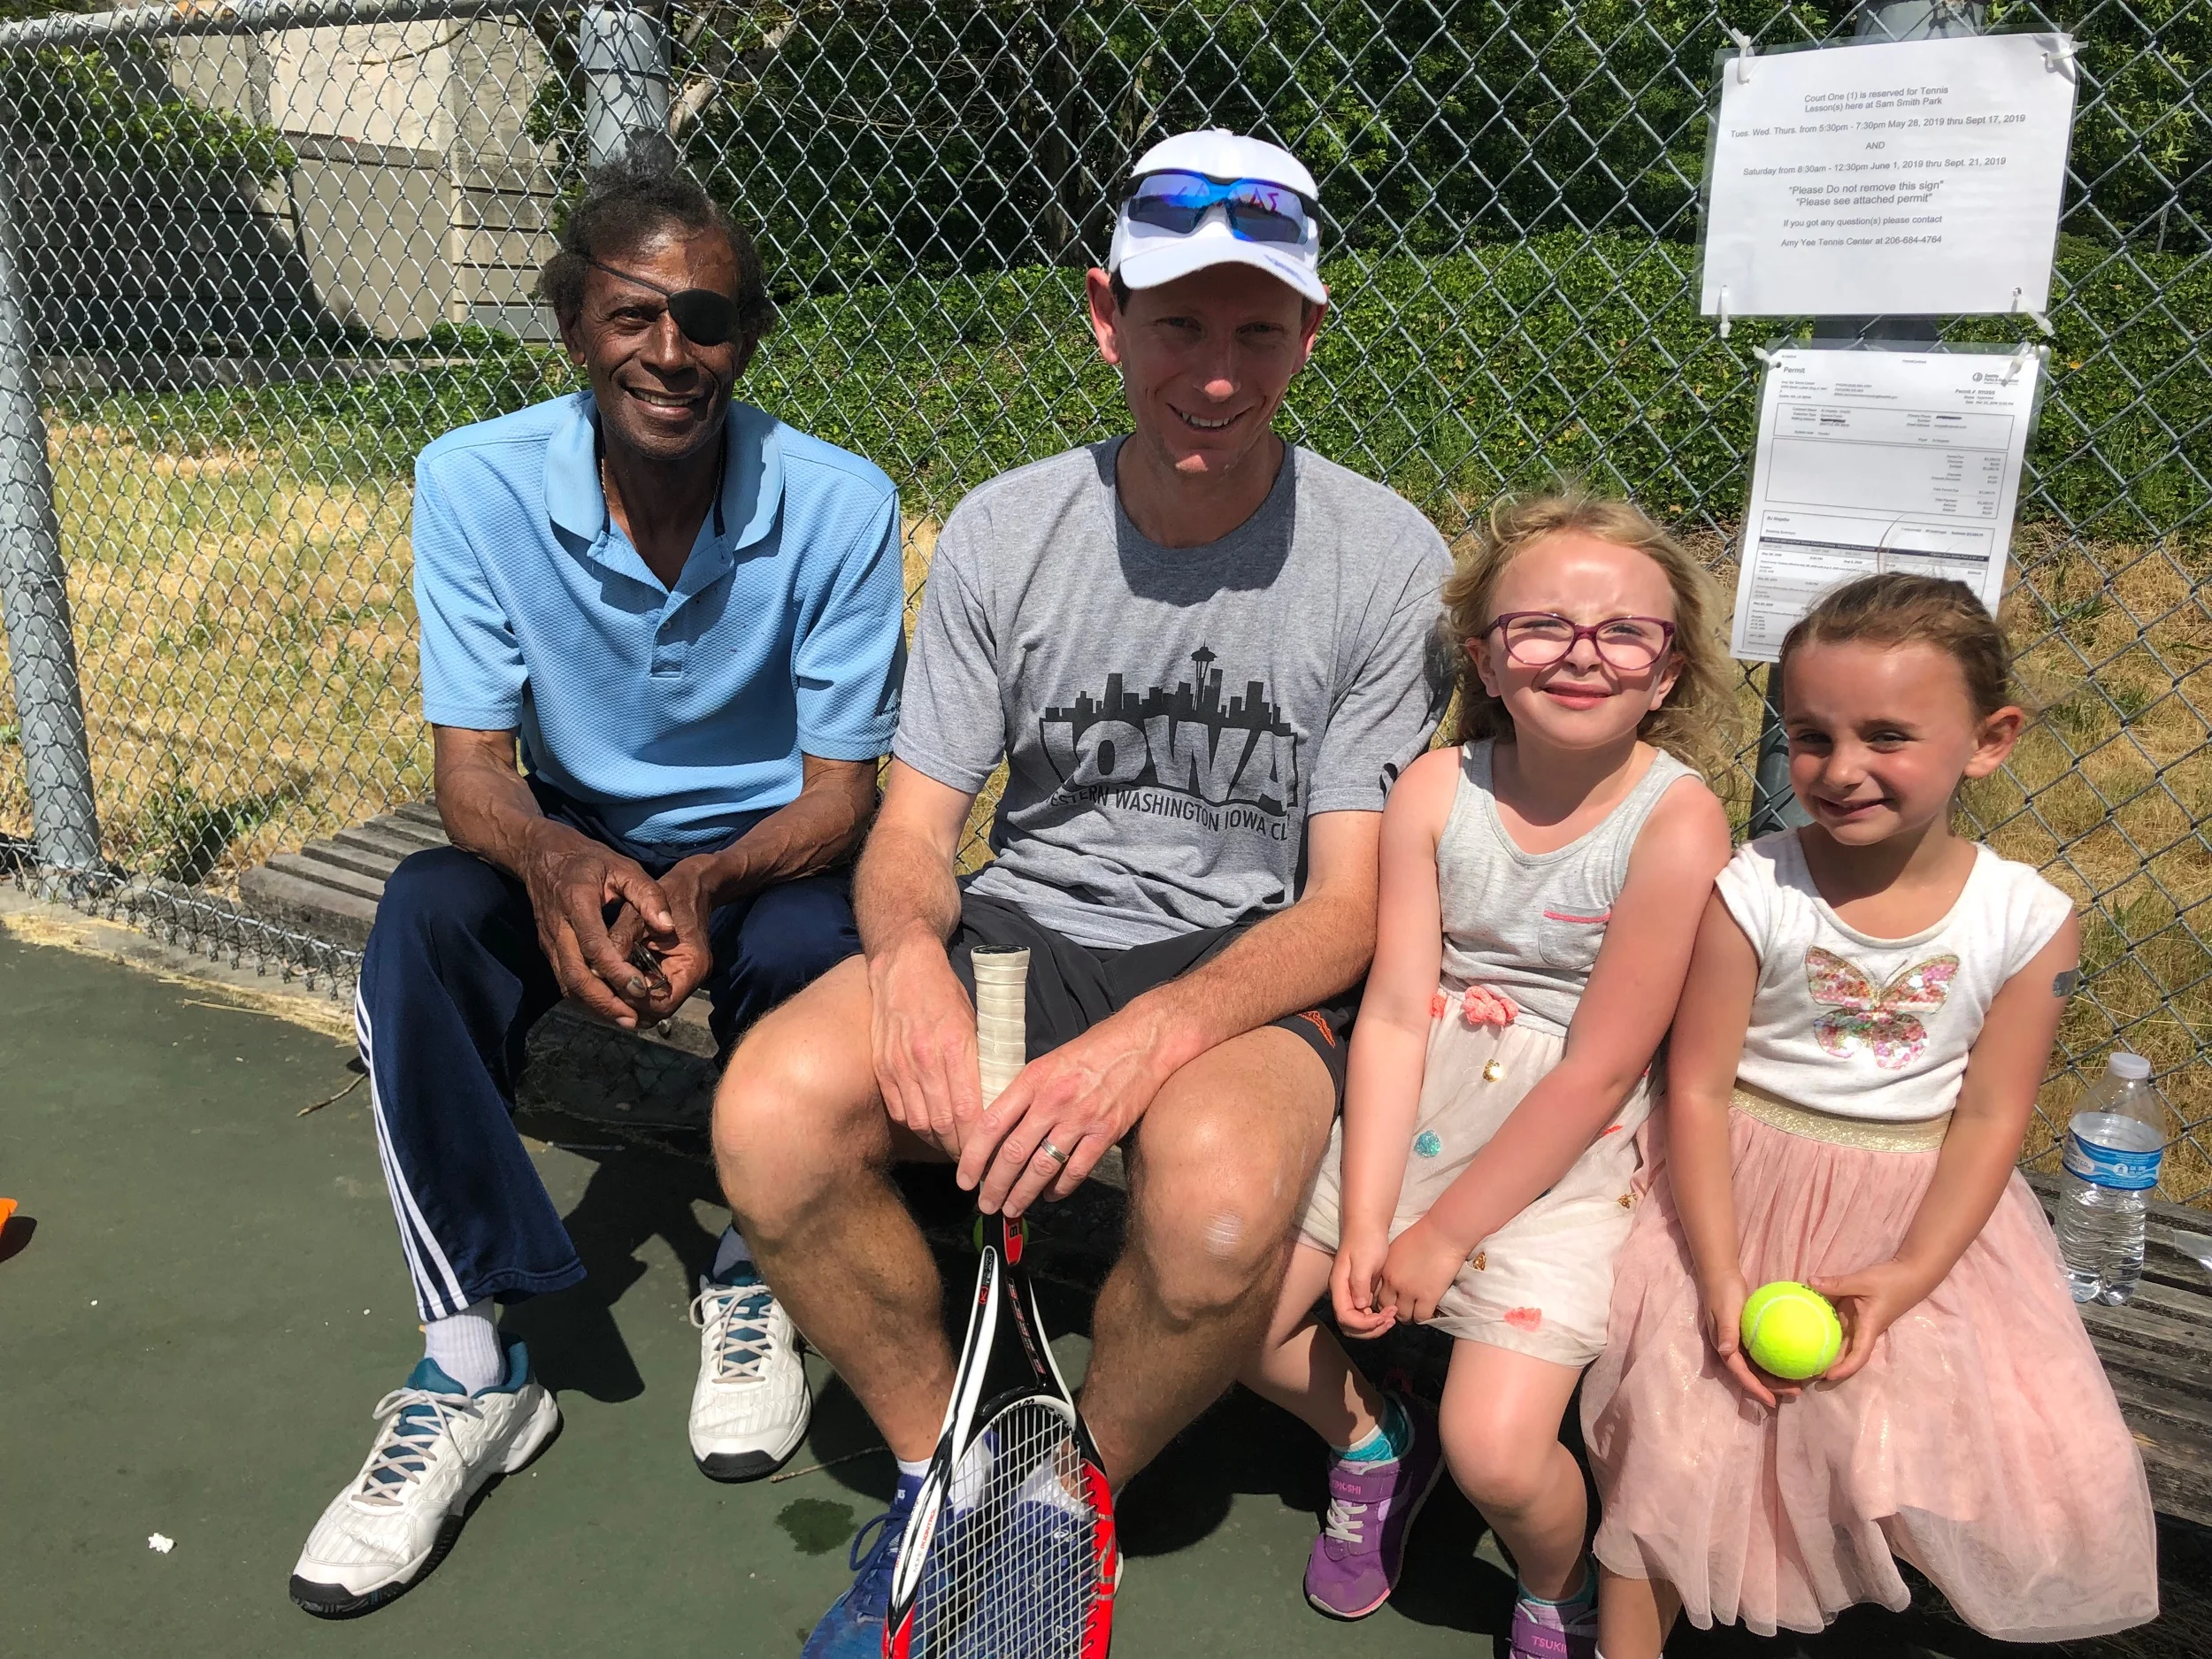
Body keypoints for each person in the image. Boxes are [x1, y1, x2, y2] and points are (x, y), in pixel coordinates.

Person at [711, 128, 1455, 1656]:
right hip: (1023, 926)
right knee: (770, 1118)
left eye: (1261, 329)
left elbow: (1345, 906)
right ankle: (940, 1474)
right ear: (1107, 317)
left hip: (1246, 956)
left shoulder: (1383, 558)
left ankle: (1062, 1501)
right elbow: (914, 835)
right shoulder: (1007, 525)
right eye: (1180, 322)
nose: (1218, 371)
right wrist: (913, 961)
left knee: (1225, 1212)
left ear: (1312, 332)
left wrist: (1153, 1040)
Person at [288, 150, 907, 1617]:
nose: (672, 352)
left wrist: (702, 884)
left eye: (708, 319)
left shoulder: (838, 501)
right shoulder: (470, 479)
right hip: (570, 821)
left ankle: (761, 1271)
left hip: (768, 841)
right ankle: (471, 1371)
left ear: (745, 341)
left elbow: (841, 795)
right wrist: (565, 866)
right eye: (635, 316)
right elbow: (474, 775)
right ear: (574, 328)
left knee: (825, 943)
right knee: (422, 927)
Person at [1583, 572, 2162, 1655]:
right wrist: (1715, 1276)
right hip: (1731, 1198)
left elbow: (1991, 1120)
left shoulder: (2028, 921)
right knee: (1668, 1442)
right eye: (1810, 736)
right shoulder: (1753, 887)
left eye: (1887, 736)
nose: (1840, 771)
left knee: (1951, 1447)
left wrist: (1908, 1278)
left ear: (1989, 741)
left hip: (1912, 1223)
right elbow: (1697, 1088)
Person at [1240, 493, 1734, 1657]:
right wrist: (1371, 1219)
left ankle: (1553, 1585)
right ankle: (1370, 1435)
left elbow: (1605, 1064)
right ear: (1485, 656)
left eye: (1624, 632)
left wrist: (1444, 1232)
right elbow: (1400, 1017)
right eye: (1542, 624)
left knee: (1502, 1449)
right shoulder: (1433, 789)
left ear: (1667, 673)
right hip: (1419, 1110)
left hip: (1571, 1150)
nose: (1580, 651)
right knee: (1232, 1315)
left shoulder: (1678, 821)